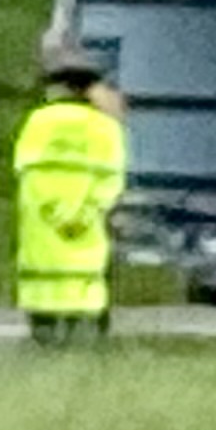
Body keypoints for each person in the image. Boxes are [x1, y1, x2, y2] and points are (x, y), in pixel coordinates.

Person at [13, 43, 128, 345]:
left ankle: (44, 332)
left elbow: (24, 170)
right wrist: (88, 212)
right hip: (87, 230)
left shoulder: (38, 121)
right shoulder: (105, 127)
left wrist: (54, 209)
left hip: (43, 230)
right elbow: (113, 179)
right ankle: (88, 335)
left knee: (43, 300)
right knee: (86, 294)